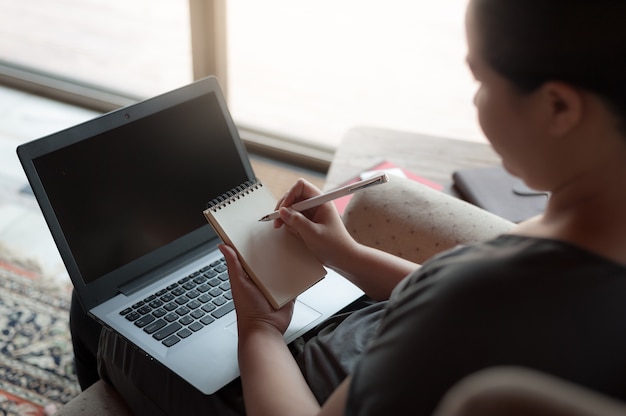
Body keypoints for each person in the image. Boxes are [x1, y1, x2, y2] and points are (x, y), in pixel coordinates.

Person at [69, 0, 626, 414]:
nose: (476, 101)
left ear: (558, 106)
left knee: (102, 319)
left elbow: (462, 308)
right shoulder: (581, 241)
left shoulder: (474, 300)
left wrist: (260, 330)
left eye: (481, 81)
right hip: (361, 344)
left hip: (281, 390)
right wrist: (347, 254)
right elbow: (463, 305)